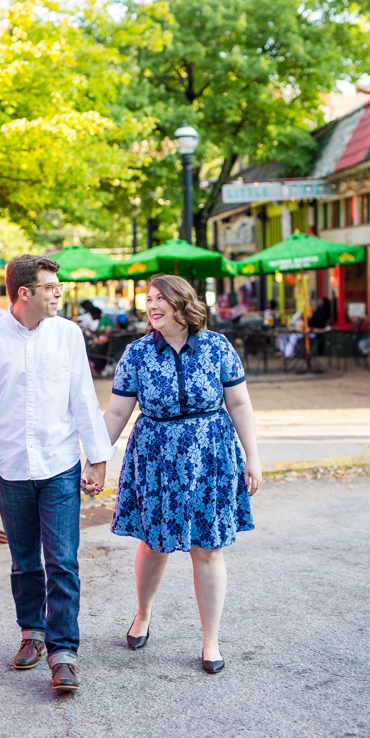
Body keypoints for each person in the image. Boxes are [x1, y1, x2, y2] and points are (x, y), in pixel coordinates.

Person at [0, 254, 115, 693]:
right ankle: (32, 633)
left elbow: (84, 397)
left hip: (60, 465)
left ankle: (64, 652)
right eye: (50, 286)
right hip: (11, 466)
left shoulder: (68, 334)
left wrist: (97, 457)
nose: (59, 291)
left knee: (61, 561)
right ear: (24, 292)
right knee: (24, 561)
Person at [102, 274, 262, 674]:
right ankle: (143, 613)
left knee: (208, 547)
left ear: (182, 303)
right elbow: (118, 412)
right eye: (149, 300)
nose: (152, 306)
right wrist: (96, 458)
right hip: (155, 457)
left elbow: (240, 404)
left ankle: (211, 640)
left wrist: (253, 458)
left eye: (161, 299)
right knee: (154, 544)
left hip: (211, 455)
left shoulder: (217, 346)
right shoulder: (137, 353)